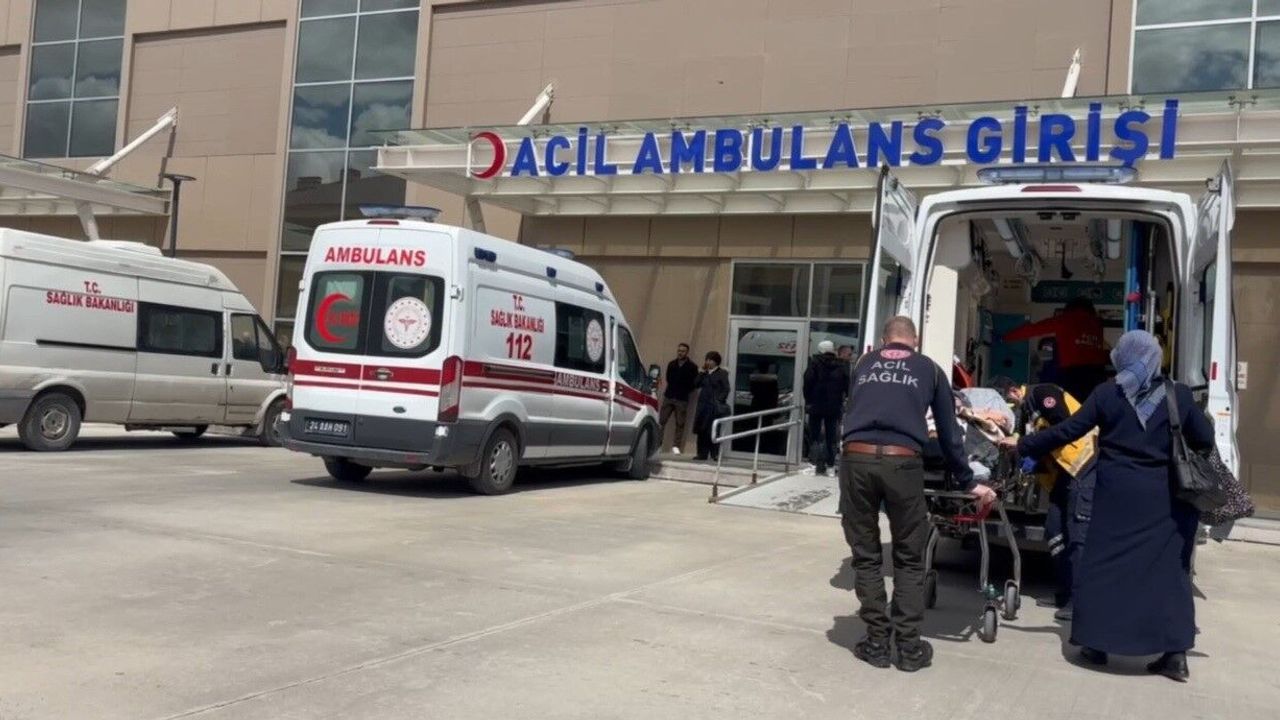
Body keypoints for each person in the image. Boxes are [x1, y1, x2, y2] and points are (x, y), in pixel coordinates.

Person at [1002, 331, 1213, 683]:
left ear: (1123, 358)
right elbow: (1204, 438)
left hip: (1115, 498)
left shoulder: (1108, 393)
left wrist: (1024, 444)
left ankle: (1096, 645)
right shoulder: (1177, 395)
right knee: (1168, 574)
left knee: (1103, 568)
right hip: (1164, 500)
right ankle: (1175, 656)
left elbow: (1068, 430)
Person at [841, 316, 996, 672]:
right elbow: (949, 432)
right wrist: (967, 481)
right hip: (902, 462)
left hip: (855, 458)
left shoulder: (863, 364)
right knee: (910, 557)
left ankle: (877, 642)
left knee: (866, 555)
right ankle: (909, 648)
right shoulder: (929, 369)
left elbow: (853, 409)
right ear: (916, 339)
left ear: (884, 340)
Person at [989, 376, 1096, 620]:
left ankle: (1079, 602)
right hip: (1065, 473)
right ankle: (1064, 593)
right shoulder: (1027, 412)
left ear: (1014, 391)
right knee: (1054, 530)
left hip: (1084, 465)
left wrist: (1030, 446)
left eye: (1007, 403)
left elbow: (1065, 427)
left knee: (1076, 535)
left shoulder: (1043, 394)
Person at [1002, 297, 1107, 402]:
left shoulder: (1065, 320)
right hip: (1097, 373)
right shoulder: (1096, 324)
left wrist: (1005, 337)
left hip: (1074, 375)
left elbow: (1034, 329)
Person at [803, 340, 849, 475]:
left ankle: (813, 465)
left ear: (820, 350)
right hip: (834, 405)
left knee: (815, 436)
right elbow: (847, 385)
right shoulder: (840, 365)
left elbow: (807, 383)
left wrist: (809, 400)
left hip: (816, 405)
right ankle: (830, 467)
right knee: (831, 437)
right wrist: (843, 399)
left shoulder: (814, 364)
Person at [658, 343, 699, 454]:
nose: (680, 353)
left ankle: (676, 446)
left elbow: (694, 383)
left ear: (687, 352)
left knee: (680, 423)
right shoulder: (672, 364)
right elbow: (668, 378)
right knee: (661, 421)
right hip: (669, 396)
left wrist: (685, 390)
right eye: (679, 351)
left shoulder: (692, 367)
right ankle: (657, 444)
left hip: (682, 398)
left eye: (683, 351)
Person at [693, 351, 731, 462]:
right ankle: (701, 454)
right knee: (702, 430)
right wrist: (701, 373)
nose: (708, 362)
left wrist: (719, 400)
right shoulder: (704, 373)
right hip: (703, 405)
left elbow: (726, 389)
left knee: (713, 430)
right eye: (707, 360)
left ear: (716, 362)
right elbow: (696, 384)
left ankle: (715, 454)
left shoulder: (722, 373)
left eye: (710, 360)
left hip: (714, 406)